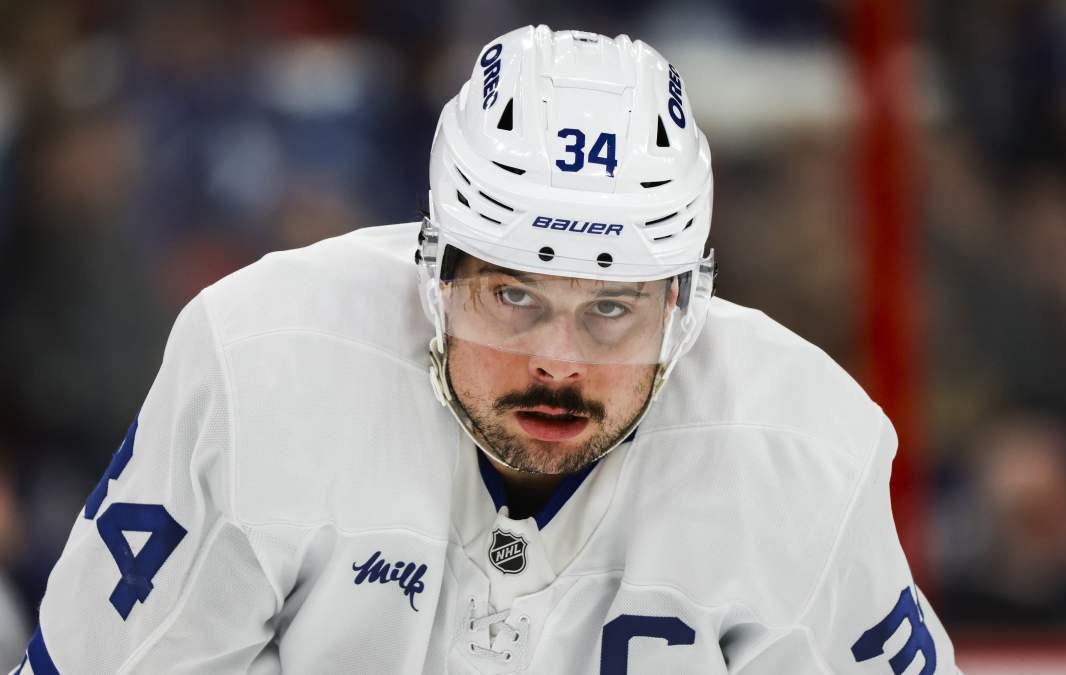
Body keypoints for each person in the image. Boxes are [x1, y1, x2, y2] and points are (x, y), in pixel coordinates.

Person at [11, 26, 957, 674]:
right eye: (514, 296)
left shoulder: (803, 455)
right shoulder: (266, 363)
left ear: (682, 306)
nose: (559, 362)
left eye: (611, 308)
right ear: (436, 271)